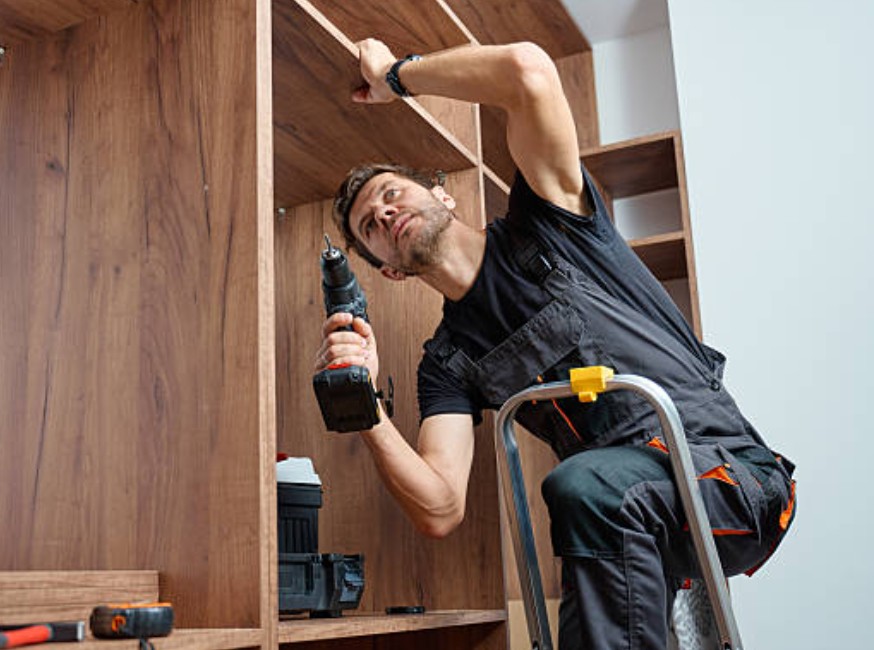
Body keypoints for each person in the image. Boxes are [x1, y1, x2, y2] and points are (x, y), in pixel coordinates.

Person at [314, 38, 796, 649]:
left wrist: (394, 75)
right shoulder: (447, 362)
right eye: (368, 227)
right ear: (389, 271)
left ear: (441, 194)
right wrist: (363, 407)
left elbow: (527, 71)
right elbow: (439, 507)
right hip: (628, 514)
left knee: (583, 486)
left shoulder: (552, 219)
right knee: (588, 491)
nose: (383, 214)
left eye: (391, 193)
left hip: (735, 481)